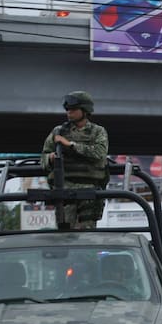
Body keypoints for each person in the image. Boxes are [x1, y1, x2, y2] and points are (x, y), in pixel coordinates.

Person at [41, 91, 109, 230]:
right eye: (67, 109)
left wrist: (70, 145)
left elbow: (99, 152)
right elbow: (43, 158)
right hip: (65, 190)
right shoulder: (58, 131)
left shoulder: (98, 132)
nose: (69, 112)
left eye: (73, 109)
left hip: (89, 190)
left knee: (87, 235)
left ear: (85, 110)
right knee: (64, 235)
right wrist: (51, 158)